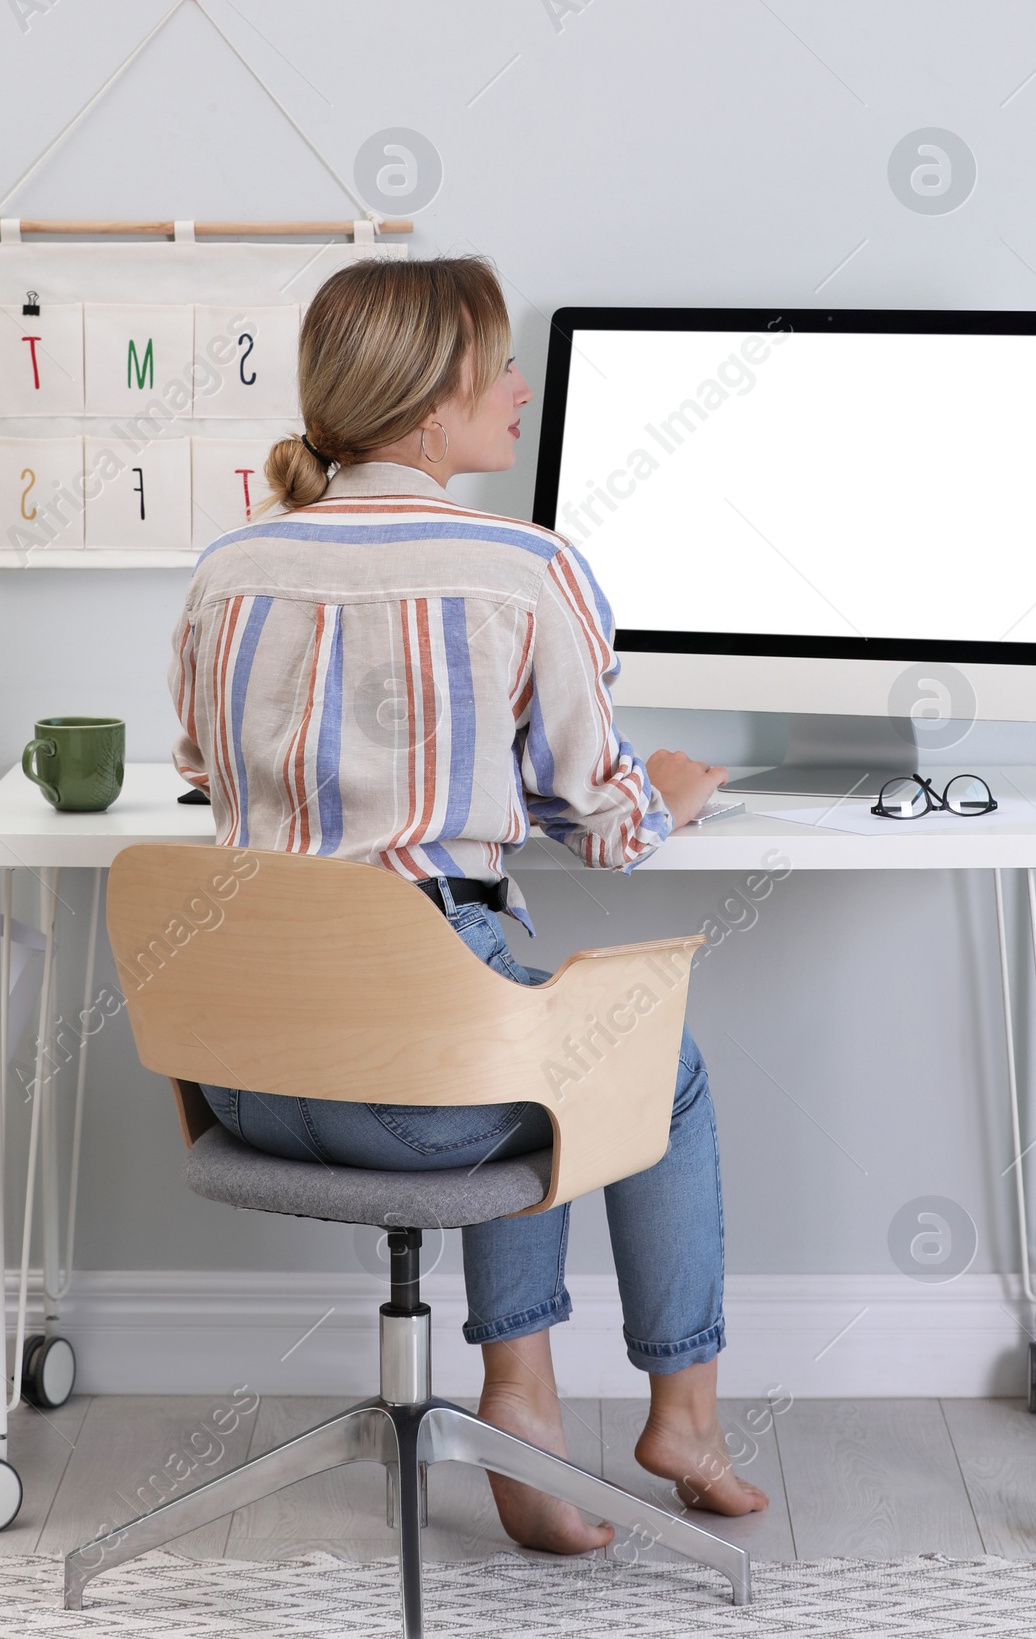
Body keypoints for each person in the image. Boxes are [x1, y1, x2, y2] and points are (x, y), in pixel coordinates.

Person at [168, 254, 766, 1551]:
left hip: (241, 1078)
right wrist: (667, 791)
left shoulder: (225, 571)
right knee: (644, 1055)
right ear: (435, 399)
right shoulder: (521, 565)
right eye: (498, 366)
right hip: (409, 1100)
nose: (520, 387)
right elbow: (603, 828)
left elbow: (207, 779)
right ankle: (676, 1413)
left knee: (537, 1023)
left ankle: (527, 1407)